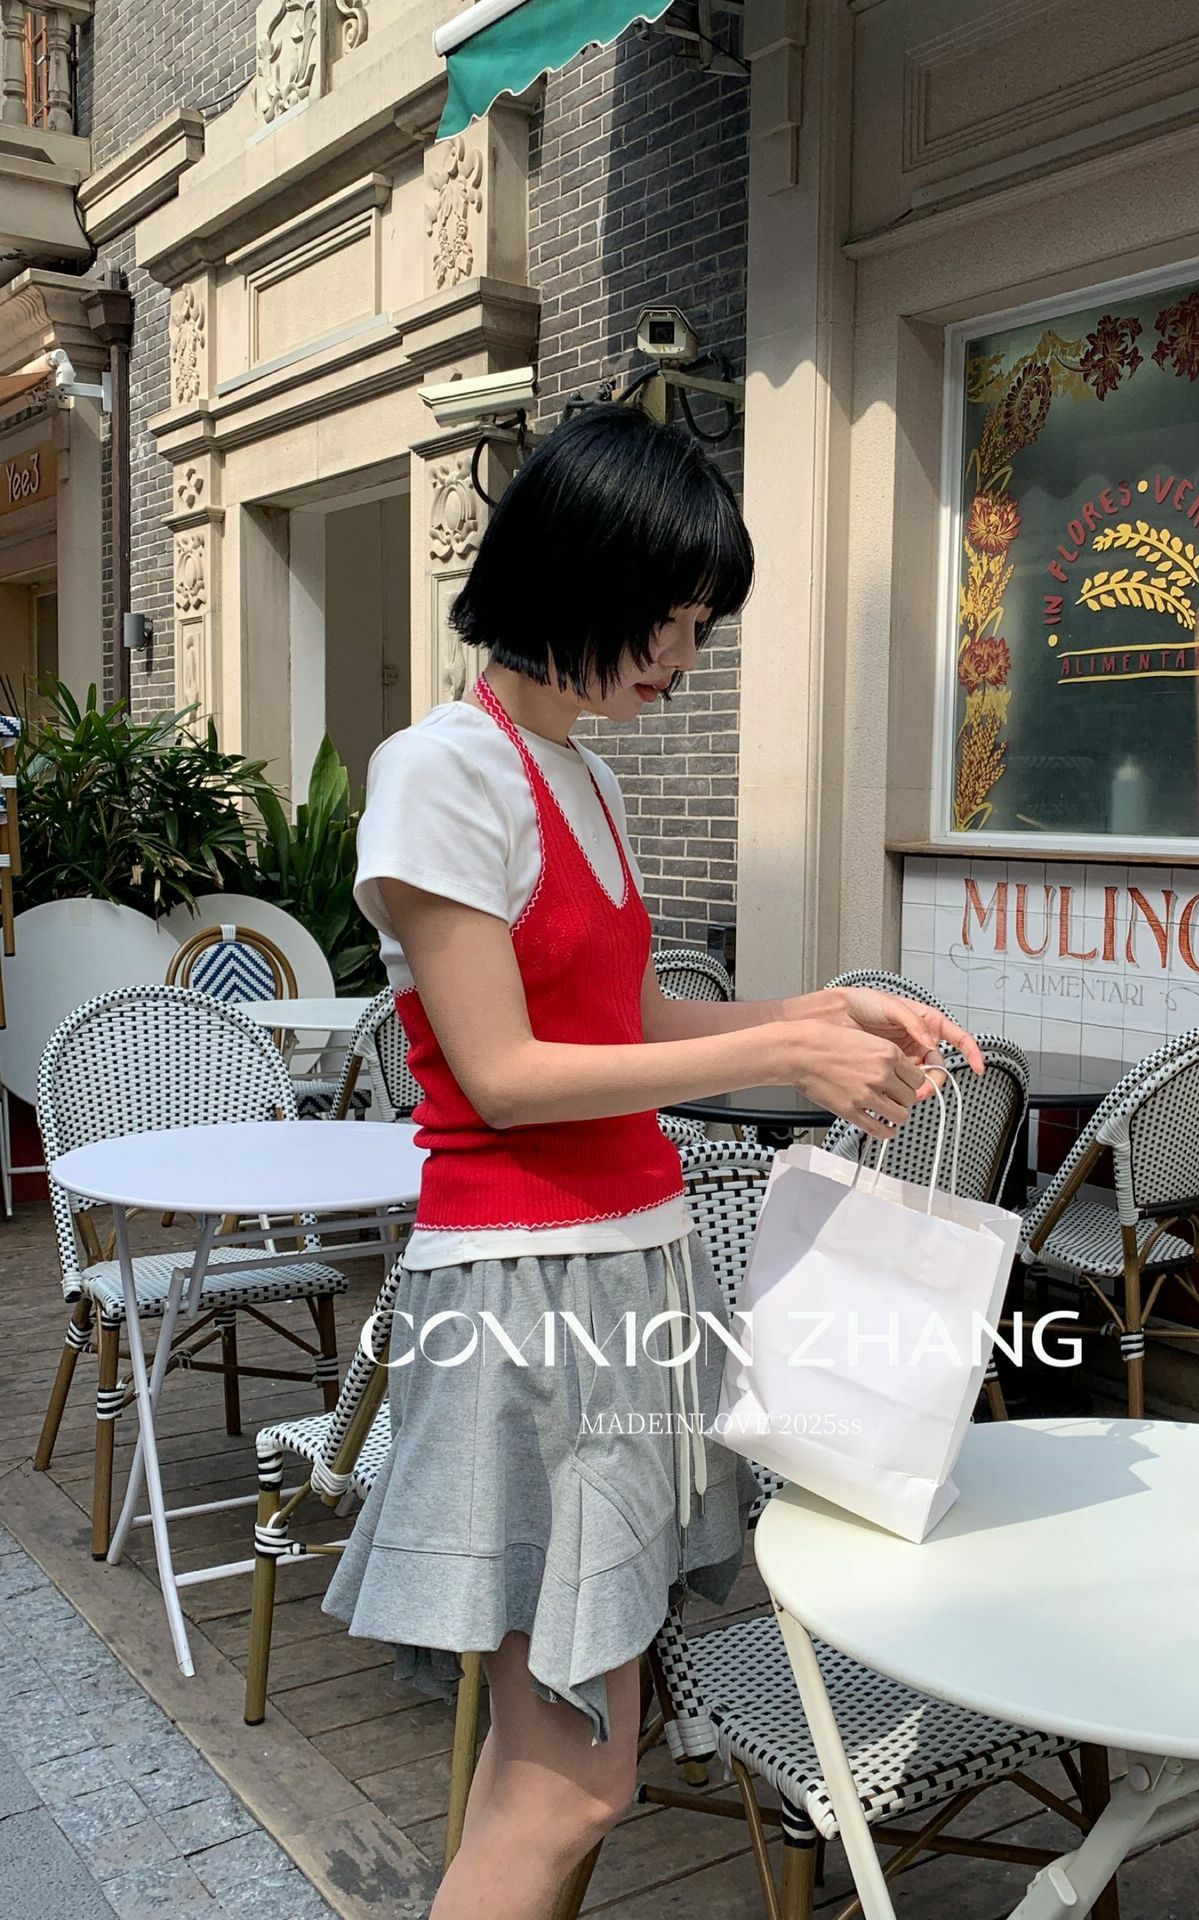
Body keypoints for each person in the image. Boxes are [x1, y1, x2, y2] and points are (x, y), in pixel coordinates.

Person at [322, 404, 983, 1920]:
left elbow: (625, 1023)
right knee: (567, 1783)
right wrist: (784, 1059)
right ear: (582, 576)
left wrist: (819, 1011)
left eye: (700, 626)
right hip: (522, 1293)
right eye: (674, 620)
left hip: (626, 1268)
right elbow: (505, 1075)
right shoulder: (443, 772)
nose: (685, 657)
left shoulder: (583, 776)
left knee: (562, 1774)